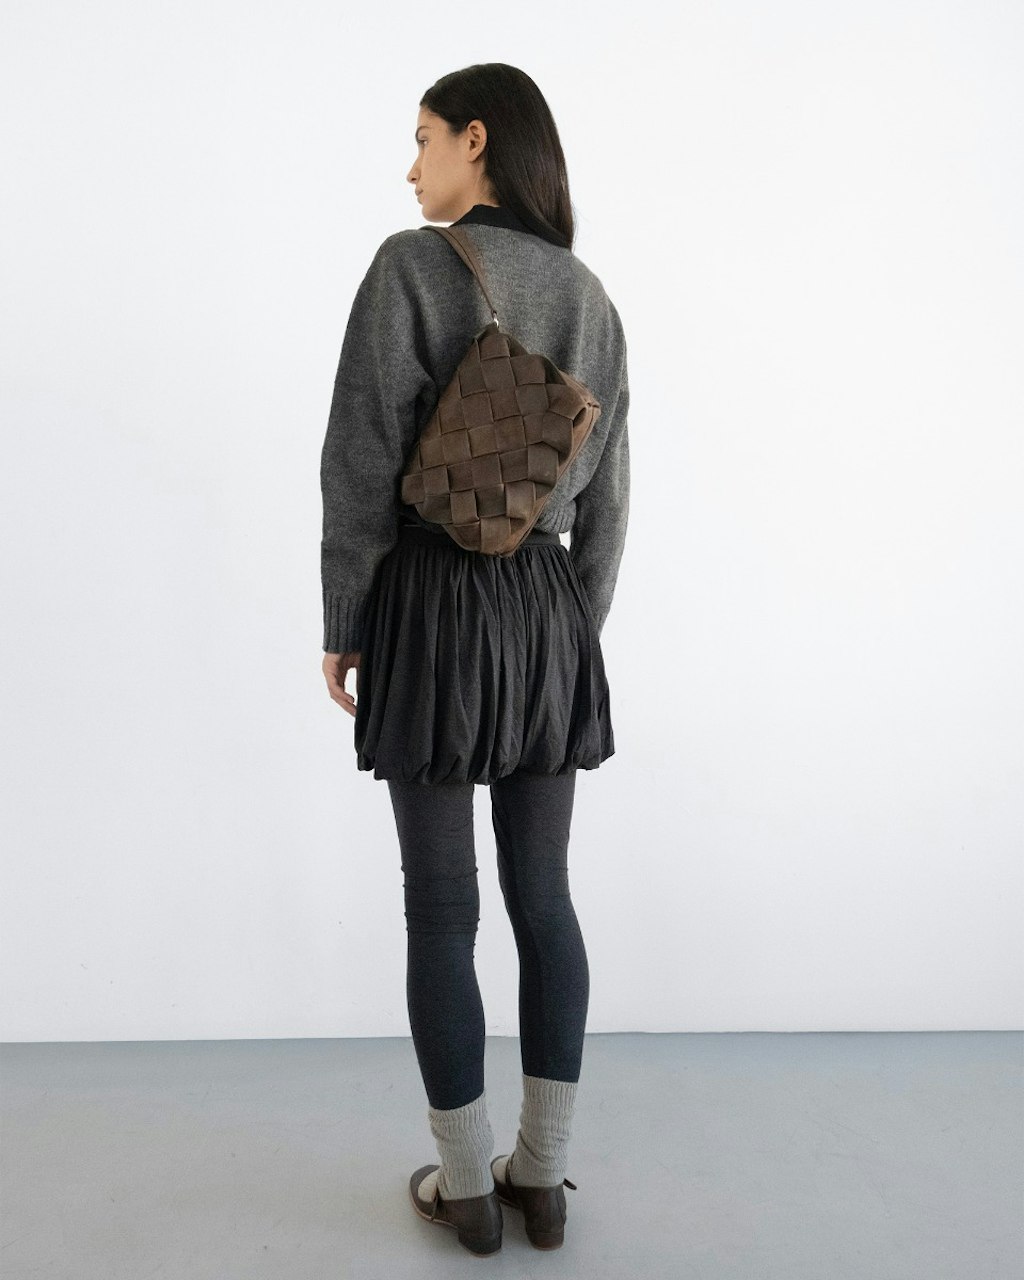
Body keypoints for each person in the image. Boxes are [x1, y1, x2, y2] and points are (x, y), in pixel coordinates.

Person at [319, 63, 630, 1256]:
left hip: (431, 607)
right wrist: (565, 635)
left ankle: (464, 1187)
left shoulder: (410, 267)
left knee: (441, 909)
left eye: (424, 139)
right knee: (543, 896)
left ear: (478, 140)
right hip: (545, 610)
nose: (412, 167)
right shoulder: (591, 297)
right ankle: (541, 1177)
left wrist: (347, 617)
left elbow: (360, 459)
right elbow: (610, 499)